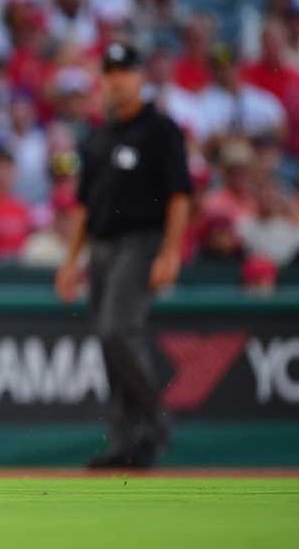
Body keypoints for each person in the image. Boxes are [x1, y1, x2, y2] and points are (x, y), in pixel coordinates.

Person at [55, 42, 192, 469]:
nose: (116, 79)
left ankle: (154, 419)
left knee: (117, 331)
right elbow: (82, 206)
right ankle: (127, 444)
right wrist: (70, 261)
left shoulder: (161, 129)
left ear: (139, 77)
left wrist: (171, 252)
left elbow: (179, 196)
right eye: (110, 72)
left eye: (124, 71)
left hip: (141, 241)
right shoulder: (98, 137)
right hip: (101, 246)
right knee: (110, 343)